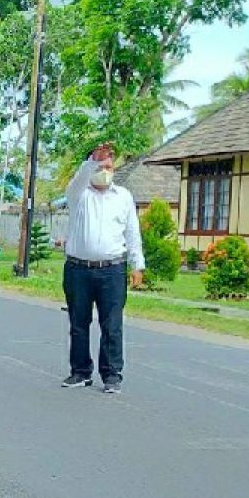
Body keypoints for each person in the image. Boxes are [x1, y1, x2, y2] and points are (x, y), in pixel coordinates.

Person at [61, 142, 145, 395]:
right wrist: (92, 161)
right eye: (100, 165)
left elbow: (132, 232)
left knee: (112, 324)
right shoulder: (79, 195)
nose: (104, 170)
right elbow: (78, 181)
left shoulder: (123, 197)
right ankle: (80, 371)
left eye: (108, 165)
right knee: (79, 322)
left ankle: (111, 375)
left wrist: (137, 264)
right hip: (78, 269)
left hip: (112, 269)